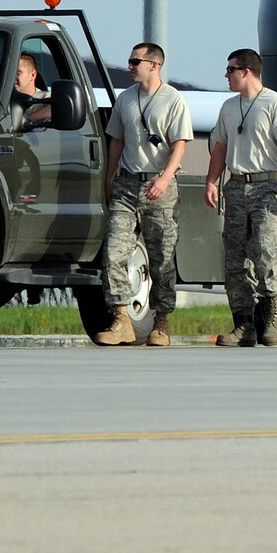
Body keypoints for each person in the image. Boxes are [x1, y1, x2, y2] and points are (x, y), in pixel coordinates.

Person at [95, 42, 192, 347]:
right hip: (126, 185)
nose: (130, 66)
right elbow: (116, 141)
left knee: (162, 257)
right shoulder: (125, 98)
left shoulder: (173, 100)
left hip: (158, 187)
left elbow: (179, 145)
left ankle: (161, 322)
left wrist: (164, 178)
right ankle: (121, 318)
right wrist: (110, 178)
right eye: (130, 60)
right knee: (114, 252)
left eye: (135, 61)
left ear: (154, 65)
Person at [204, 48, 277, 348]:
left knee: (264, 249)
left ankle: (271, 312)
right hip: (236, 186)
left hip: (267, 185)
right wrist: (211, 181)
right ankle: (243, 324)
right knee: (234, 258)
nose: (226, 75)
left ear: (246, 71)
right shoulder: (228, 107)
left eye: (231, 69)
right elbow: (220, 147)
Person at [10, 53, 52, 128]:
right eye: (10, 73)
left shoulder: (45, 98)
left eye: (17, 73)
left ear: (33, 75)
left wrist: (24, 121)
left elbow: (53, 109)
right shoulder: (1, 100)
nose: (13, 77)